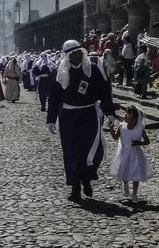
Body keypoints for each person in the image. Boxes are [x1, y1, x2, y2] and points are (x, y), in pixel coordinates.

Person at [46, 40, 116, 201]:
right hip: (69, 118)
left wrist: (110, 113)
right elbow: (54, 97)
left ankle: (87, 178)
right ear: (68, 56)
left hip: (89, 115)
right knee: (72, 152)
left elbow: (104, 92)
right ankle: (75, 186)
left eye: (79, 53)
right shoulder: (60, 72)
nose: (77, 56)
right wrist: (51, 119)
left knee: (92, 149)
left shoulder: (92, 70)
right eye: (73, 54)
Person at [108, 106, 153, 203]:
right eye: (125, 113)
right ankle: (125, 185)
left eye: (128, 113)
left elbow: (147, 141)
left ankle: (135, 193)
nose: (125, 115)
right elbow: (115, 137)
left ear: (135, 118)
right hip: (124, 152)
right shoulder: (121, 126)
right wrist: (111, 128)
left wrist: (139, 143)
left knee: (136, 172)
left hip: (135, 153)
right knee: (125, 170)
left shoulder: (139, 129)